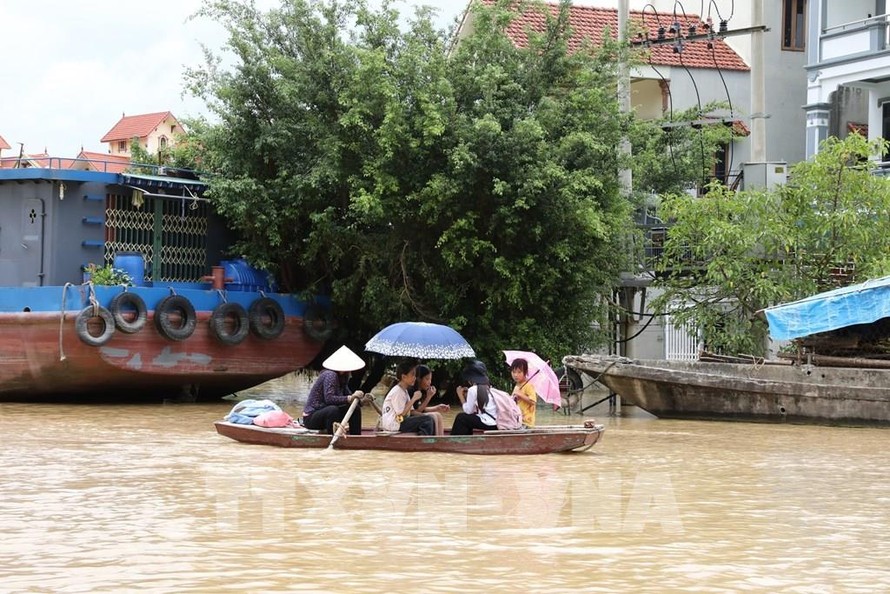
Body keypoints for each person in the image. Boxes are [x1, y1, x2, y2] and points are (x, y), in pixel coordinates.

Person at [302, 345, 367, 435]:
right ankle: (331, 436)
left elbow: (348, 395)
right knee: (333, 410)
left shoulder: (343, 377)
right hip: (312, 417)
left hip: (328, 414)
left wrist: (361, 401)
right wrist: (349, 398)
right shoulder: (330, 375)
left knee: (355, 409)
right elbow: (329, 399)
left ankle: (356, 437)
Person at [378, 361, 436, 435]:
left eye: (415, 375)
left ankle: (424, 439)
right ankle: (422, 442)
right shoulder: (398, 391)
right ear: (404, 377)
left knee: (429, 419)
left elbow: (412, 411)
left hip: (399, 422)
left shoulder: (404, 391)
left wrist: (425, 415)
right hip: (394, 425)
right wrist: (413, 399)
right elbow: (401, 414)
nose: (415, 378)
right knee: (427, 420)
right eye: (412, 375)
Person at [450, 360, 498, 435]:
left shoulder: (472, 389)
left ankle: (455, 443)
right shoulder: (489, 387)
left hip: (489, 423)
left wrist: (460, 395)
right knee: (468, 419)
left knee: (461, 418)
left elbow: (468, 411)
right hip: (496, 423)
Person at [411, 364, 449, 436]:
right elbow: (416, 411)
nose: (430, 382)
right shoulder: (412, 391)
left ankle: (439, 441)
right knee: (433, 417)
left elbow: (421, 408)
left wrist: (437, 407)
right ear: (419, 379)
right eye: (427, 379)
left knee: (438, 415)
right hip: (409, 418)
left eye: (430, 379)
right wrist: (428, 397)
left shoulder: (421, 391)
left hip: (415, 414)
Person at [510, 358, 537, 427]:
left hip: (526, 422)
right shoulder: (517, 386)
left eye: (519, 372)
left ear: (525, 372)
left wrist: (520, 394)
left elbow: (533, 401)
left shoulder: (528, 385)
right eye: (513, 372)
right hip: (518, 420)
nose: (516, 375)